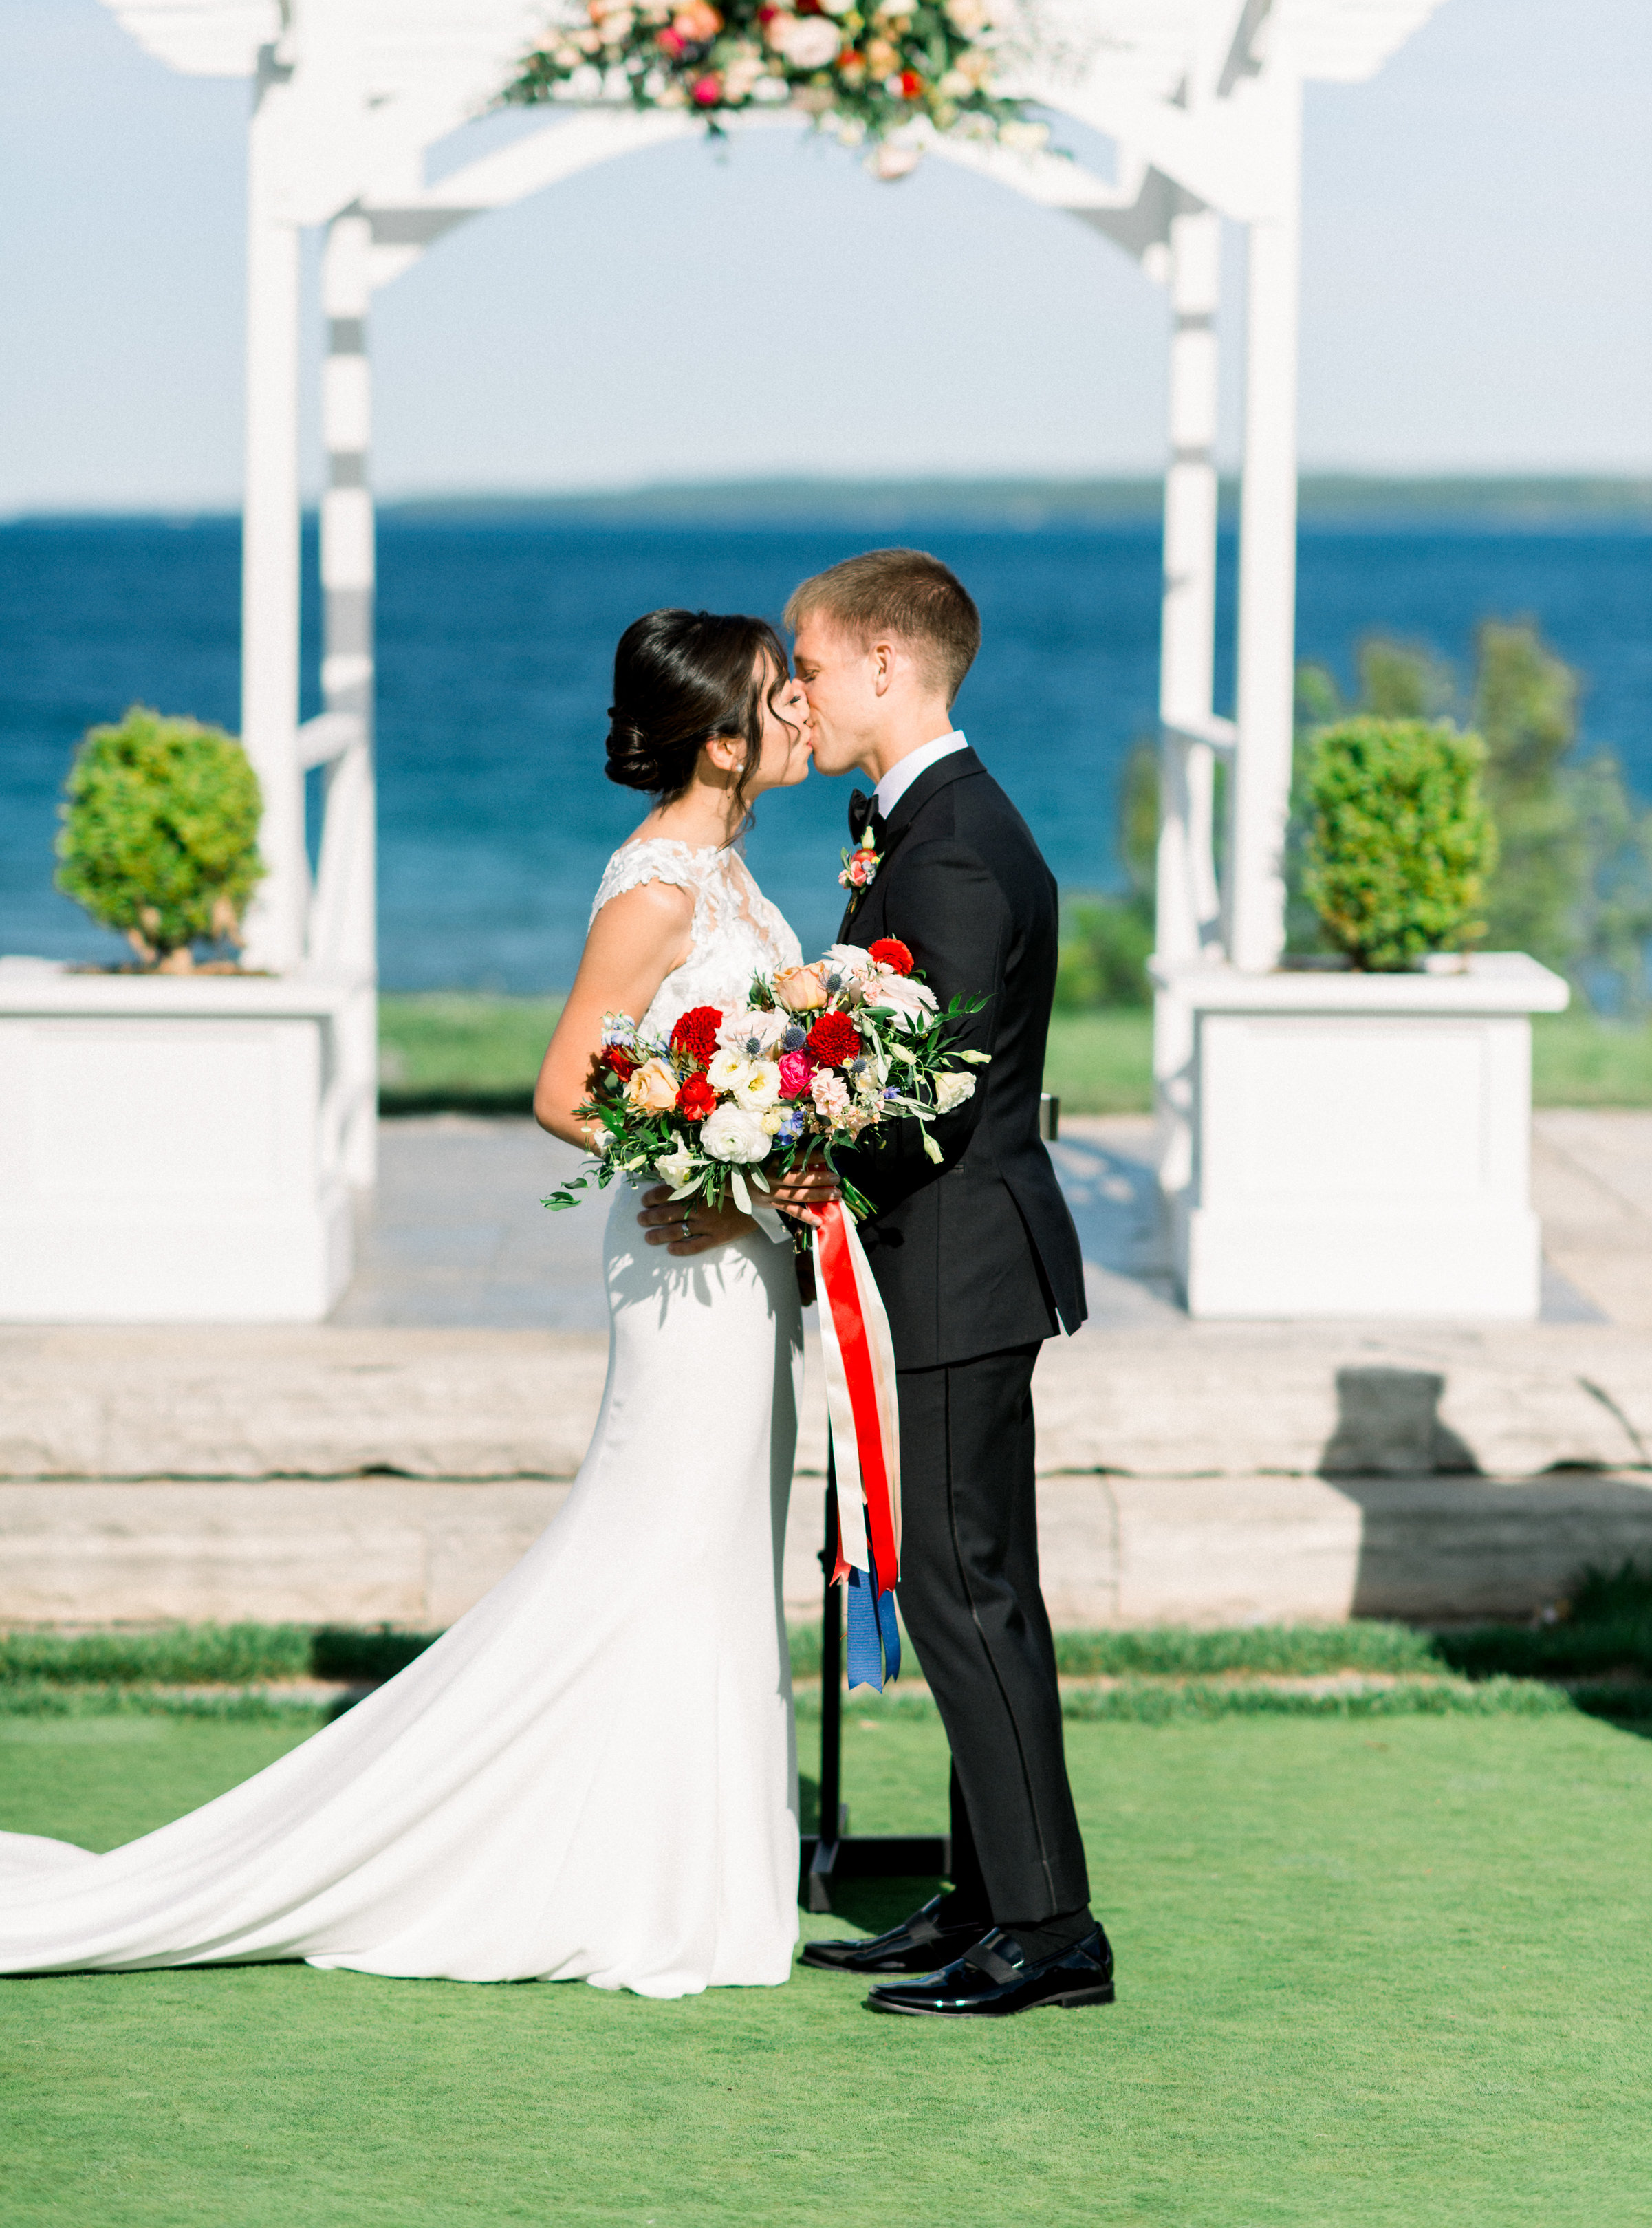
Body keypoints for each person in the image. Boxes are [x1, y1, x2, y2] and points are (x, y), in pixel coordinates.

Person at [0, 609, 832, 2000]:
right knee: (656, 1552)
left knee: (709, 1556)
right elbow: (566, 1085)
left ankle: (670, 1856)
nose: (804, 714)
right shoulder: (659, 891)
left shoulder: (733, 875)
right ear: (725, 741)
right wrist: (734, 1177)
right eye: (777, 699)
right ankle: (590, 1872)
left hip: (742, 1265)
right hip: (688, 1266)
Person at [794, 545, 1113, 2020]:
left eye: (808, 660)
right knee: (976, 1589)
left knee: (965, 1594)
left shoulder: (959, 848)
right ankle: (988, 1897)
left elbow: (933, 1091)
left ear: (881, 664)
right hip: (953, 1264)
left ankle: (1047, 1930)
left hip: (955, 1269)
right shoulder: (924, 827)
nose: (796, 687)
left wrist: (803, 1157)